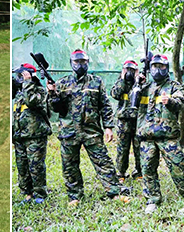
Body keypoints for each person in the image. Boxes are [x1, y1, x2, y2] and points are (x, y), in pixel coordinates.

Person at [47, 50, 130, 205]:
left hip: (91, 131)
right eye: (77, 62)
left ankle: (114, 192)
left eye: (83, 62)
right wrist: (52, 94)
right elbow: (55, 108)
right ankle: (75, 196)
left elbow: (105, 105)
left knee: (103, 162)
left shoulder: (96, 82)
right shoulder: (62, 83)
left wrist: (108, 127)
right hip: (68, 131)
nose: (80, 65)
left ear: (88, 63)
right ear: (71, 63)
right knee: (69, 165)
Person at [137, 54, 184, 214]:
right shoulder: (145, 88)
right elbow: (133, 104)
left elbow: (180, 103)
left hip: (168, 136)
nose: (157, 70)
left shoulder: (174, 86)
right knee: (147, 168)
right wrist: (134, 82)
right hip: (148, 136)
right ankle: (152, 199)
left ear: (167, 68)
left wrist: (170, 101)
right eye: (154, 67)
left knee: (179, 166)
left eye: (161, 67)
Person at [12, 63, 51, 204]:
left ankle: (40, 194)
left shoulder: (39, 91)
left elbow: (32, 102)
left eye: (22, 76)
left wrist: (28, 82)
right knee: (22, 167)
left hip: (35, 136)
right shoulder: (20, 92)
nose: (20, 79)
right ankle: (27, 194)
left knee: (36, 166)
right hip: (20, 136)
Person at [110, 60, 143, 182]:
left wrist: (139, 79)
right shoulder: (120, 82)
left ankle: (139, 172)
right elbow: (115, 94)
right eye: (127, 69)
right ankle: (121, 173)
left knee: (138, 147)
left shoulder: (140, 83)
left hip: (138, 120)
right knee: (122, 149)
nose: (130, 72)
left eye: (132, 70)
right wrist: (123, 79)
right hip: (123, 121)